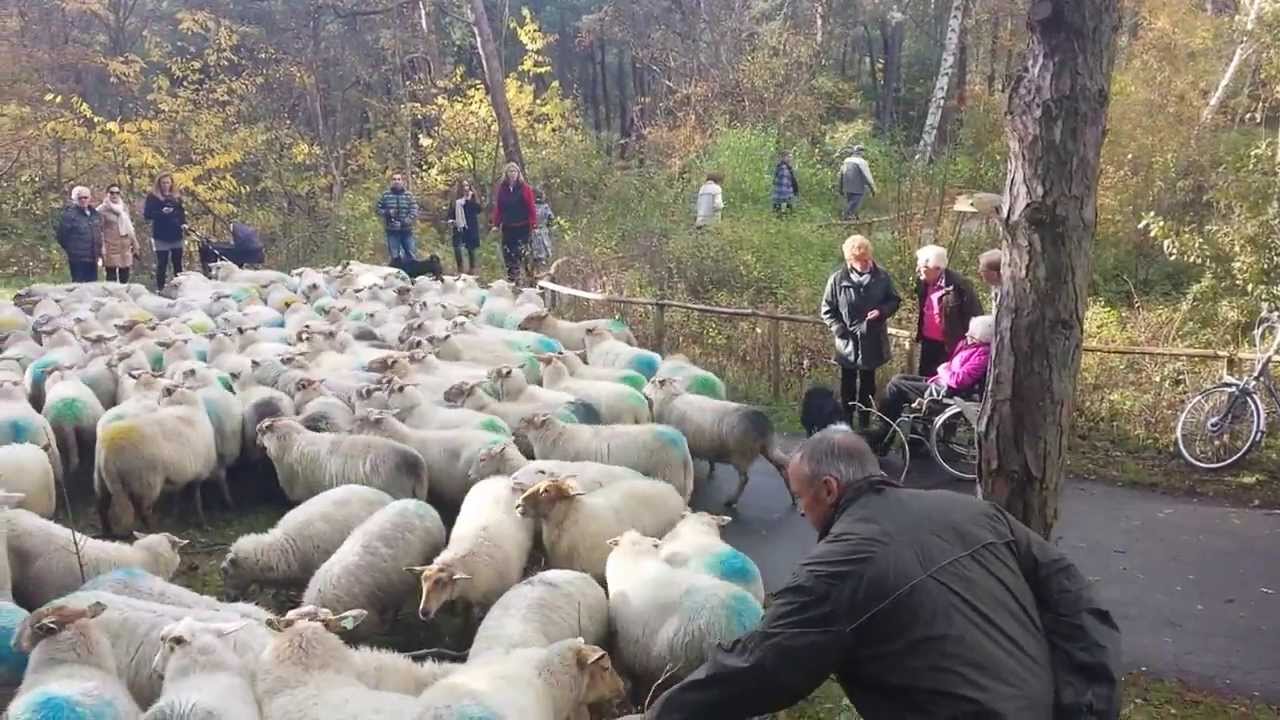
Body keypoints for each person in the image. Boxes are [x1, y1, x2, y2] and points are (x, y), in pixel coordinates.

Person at [648, 425, 1123, 720]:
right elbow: (1076, 602)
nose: (801, 514)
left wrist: (663, 714)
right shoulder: (977, 514)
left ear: (829, 489)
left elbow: (761, 665)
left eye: (801, 499)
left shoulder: (838, 567)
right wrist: (1086, 706)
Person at [868, 314, 994, 449]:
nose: (967, 336)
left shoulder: (983, 355)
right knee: (898, 379)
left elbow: (959, 381)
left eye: (972, 336)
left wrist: (943, 369)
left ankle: (884, 431)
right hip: (940, 382)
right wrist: (945, 370)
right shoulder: (970, 347)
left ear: (982, 339)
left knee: (896, 387)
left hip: (947, 391)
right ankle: (898, 434)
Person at [819, 235, 900, 430]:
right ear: (850, 261)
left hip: (871, 338)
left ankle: (865, 423)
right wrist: (838, 329)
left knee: (868, 385)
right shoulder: (837, 280)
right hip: (847, 342)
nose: (865, 264)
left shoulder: (882, 277)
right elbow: (827, 310)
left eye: (867, 259)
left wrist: (881, 311)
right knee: (847, 384)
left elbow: (894, 300)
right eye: (860, 261)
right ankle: (846, 422)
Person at [914, 243, 983, 376]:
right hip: (928, 342)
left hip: (950, 345)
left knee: (944, 380)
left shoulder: (960, 285)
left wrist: (968, 344)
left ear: (937, 268)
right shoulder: (923, 282)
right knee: (924, 378)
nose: (918, 270)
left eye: (922, 267)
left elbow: (975, 316)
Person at [491, 162, 537, 285]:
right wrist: (496, 224)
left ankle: (529, 277)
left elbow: (531, 207)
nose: (512, 174)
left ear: (518, 173)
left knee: (522, 252)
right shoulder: (502, 189)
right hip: (508, 226)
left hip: (523, 225)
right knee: (508, 253)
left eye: (514, 171)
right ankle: (513, 279)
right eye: (510, 172)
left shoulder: (524, 188)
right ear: (506, 174)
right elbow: (499, 208)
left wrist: (533, 223)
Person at [143, 173, 187, 290]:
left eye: (168, 182)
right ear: (159, 184)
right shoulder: (153, 197)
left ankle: (179, 287)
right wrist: (162, 213)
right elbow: (147, 215)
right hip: (161, 235)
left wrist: (183, 223)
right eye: (163, 183)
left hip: (176, 233)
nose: (166, 185)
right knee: (162, 263)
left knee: (177, 263)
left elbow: (181, 213)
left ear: (171, 183)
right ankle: (161, 288)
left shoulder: (176, 197)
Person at [56, 186, 102, 284]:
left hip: (93, 257)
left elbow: (99, 233)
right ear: (76, 199)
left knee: (93, 286)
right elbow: (61, 236)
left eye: (86, 197)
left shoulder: (95, 214)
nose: (83, 200)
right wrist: (71, 249)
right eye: (80, 198)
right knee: (79, 287)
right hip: (77, 258)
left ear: (90, 198)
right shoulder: (70, 215)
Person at [97, 184, 140, 284]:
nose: (114, 195)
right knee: (111, 275)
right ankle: (112, 298)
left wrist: (135, 243)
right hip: (110, 245)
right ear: (107, 194)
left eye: (117, 193)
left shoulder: (124, 207)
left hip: (125, 244)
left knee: (125, 274)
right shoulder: (102, 210)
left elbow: (129, 226)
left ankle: (123, 297)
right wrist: (102, 247)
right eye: (112, 192)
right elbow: (100, 230)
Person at [376, 170, 419, 265]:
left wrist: (405, 221)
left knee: (411, 255)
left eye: (399, 179)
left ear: (402, 181)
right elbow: (378, 209)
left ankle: (413, 276)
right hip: (392, 231)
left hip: (407, 231)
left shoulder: (408, 195)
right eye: (394, 179)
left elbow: (414, 210)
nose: (396, 181)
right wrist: (388, 212)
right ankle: (398, 276)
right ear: (391, 181)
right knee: (395, 257)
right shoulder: (385, 195)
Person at [448, 179, 482, 275]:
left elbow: (478, 210)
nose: (465, 188)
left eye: (467, 185)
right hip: (458, 226)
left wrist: (468, 200)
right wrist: (451, 220)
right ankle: (460, 268)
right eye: (463, 186)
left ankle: (472, 269)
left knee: (470, 248)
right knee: (457, 247)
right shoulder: (456, 199)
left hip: (470, 226)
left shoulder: (472, 197)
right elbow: (451, 211)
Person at [838, 145, 876, 220]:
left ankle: (853, 219)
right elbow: (868, 176)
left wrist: (840, 187)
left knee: (850, 203)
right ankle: (845, 216)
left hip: (847, 186)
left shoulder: (846, 161)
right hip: (858, 187)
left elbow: (841, 174)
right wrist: (873, 189)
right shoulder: (862, 162)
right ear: (861, 152)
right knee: (854, 203)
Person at [530, 190, 555, 273]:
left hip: (533, 231)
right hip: (542, 231)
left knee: (535, 253)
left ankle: (537, 271)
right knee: (544, 251)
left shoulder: (531, 206)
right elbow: (551, 218)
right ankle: (540, 270)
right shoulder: (545, 207)